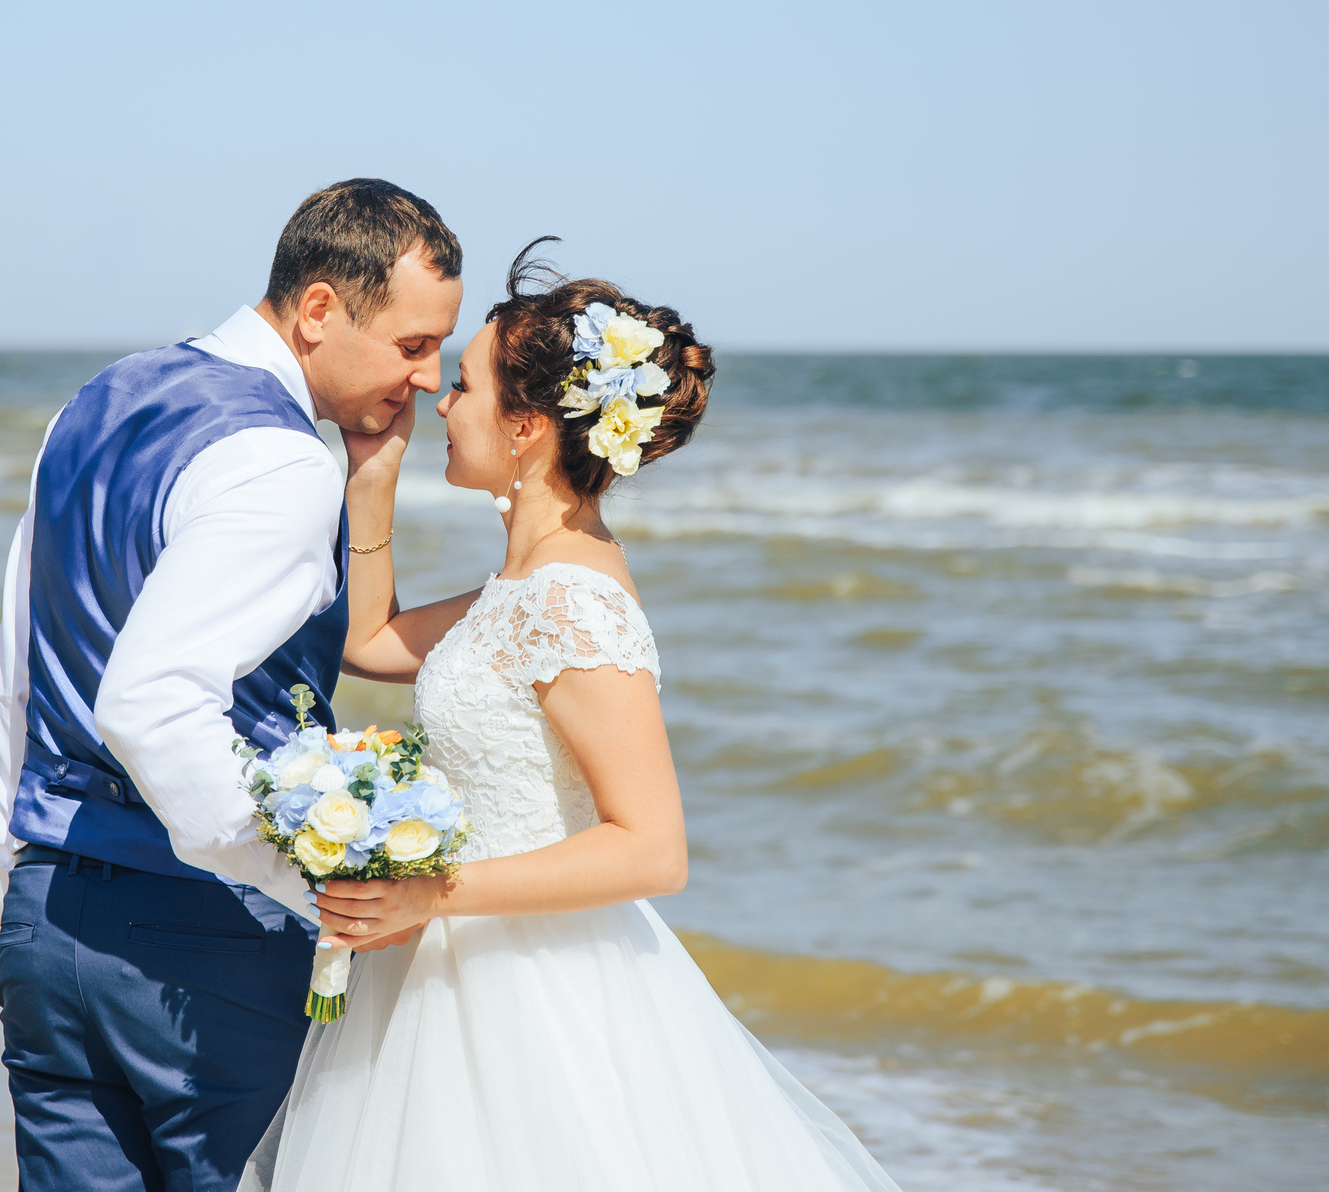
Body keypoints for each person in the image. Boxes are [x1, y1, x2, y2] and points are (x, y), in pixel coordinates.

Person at [252, 240, 902, 1192]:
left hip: (529, 994)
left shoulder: (572, 601)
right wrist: (372, 478)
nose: (439, 401)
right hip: (444, 971)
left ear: (524, 426)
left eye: (463, 385)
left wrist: (431, 893)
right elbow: (370, 638)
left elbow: (653, 849)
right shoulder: (523, 586)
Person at [0, 178, 464, 1192]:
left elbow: (22, 641)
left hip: (46, 916)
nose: (427, 376)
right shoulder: (281, 463)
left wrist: (16, 843)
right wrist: (299, 883)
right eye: (413, 344)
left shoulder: (98, 398)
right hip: (202, 942)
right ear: (318, 308)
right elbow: (147, 701)